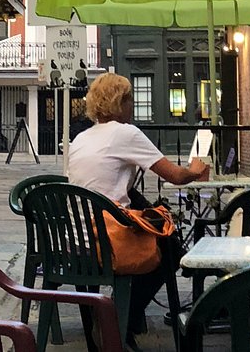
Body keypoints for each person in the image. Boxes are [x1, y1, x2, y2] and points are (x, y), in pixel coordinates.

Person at [68, 73, 209, 346]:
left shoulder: (82, 138)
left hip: (77, 238)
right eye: (130, 99)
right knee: (171, 249)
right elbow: (175, 176)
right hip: (107, 241)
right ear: (120, 103)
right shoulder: (126, 133)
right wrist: (195, 170)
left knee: (156, 230)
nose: (133, 105)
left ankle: (118, 321)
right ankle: (121, 321)